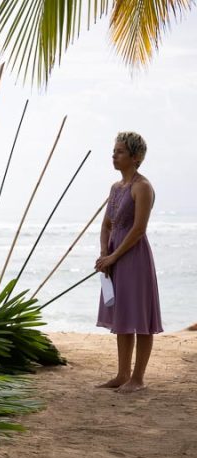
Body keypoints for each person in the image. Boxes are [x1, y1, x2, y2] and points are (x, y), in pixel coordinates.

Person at [95, 131, 162, 393]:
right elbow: (106, 224)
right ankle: (122, 374)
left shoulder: (142, 187)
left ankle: (138, 378)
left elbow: (139, 229)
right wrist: (104, 254)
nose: (114, 155)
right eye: (114, 150)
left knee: (141, 317)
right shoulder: (116, 188)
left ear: (135, 157)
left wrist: (114, 255)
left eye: (120, 151)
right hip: (114, 257)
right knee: (122, 314)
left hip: (134, 257)